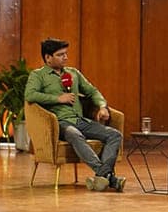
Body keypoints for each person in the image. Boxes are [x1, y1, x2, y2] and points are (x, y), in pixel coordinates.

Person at [24, 38, 125, 192]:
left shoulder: (73, 73)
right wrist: (57, 99)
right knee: (74, 134)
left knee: (115, 135)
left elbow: (92, 91)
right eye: (60, 54)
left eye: (66, 54)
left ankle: (103, 177)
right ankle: (109, 176)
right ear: (48, 58)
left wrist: (103, 107)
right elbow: (30, 95)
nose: (65, 57)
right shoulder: (38, 75)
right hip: (59, 124)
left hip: (80, 119)